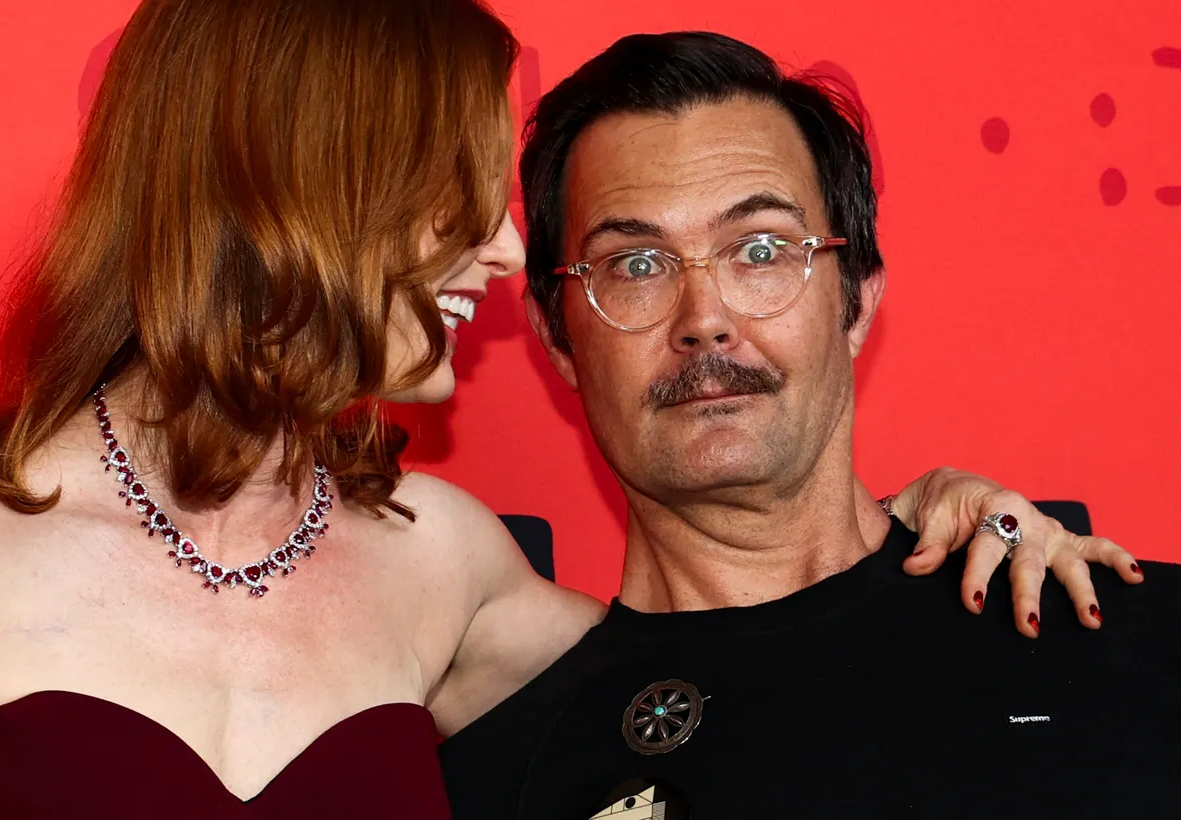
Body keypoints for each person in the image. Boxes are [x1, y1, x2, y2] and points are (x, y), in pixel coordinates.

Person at [0, 3, 1138, 818]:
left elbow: (750, 654)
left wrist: (938, 517)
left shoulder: (445, 561)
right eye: (461, 189)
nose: (498, 249)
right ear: (304, 187)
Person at [438, 31, 1180, 819]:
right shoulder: (497, 772)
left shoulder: (1142, 638)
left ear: (855, 299)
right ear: (558, 338)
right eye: (637, 265)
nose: (705, 320)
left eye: (759, 249)